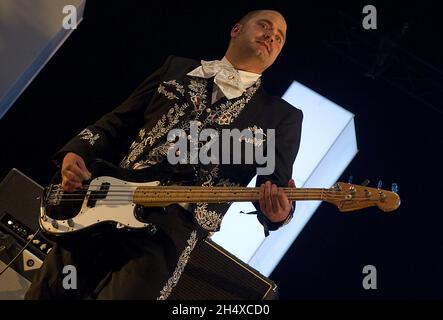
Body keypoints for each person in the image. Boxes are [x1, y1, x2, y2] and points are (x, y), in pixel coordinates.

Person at [25, 9, 303, 299]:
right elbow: (117, 121)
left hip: (171, 230)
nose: (272, 36)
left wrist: (280, 214)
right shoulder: (176, 68)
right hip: (105, 198)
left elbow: (275, 187)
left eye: (280, 37)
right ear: (236, 30)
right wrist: (75, 154)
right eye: (265, 26)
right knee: (49, 292)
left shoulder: (282, 117)